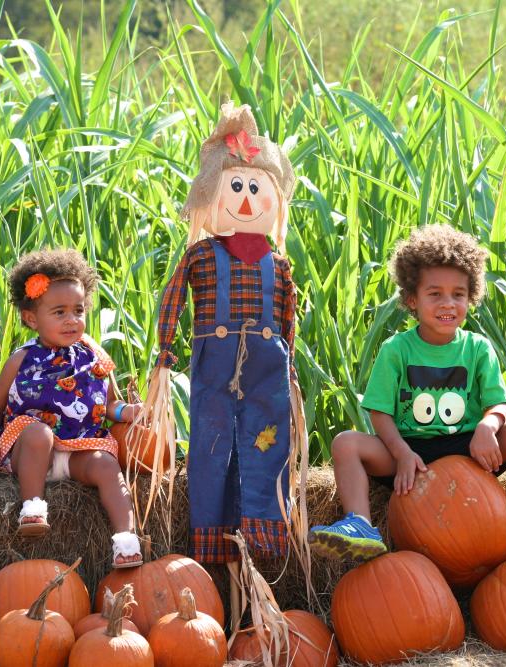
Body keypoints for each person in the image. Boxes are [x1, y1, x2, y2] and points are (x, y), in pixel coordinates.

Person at [308, 224, 506, 560]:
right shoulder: (396, 350)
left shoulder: (478, 349)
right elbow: (380, 413)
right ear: (411, 299)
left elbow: (498, 404)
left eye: (458, 294)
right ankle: (360, 524)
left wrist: (487, 427)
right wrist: (401, 452)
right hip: (410, 455)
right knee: (345, 443)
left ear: (470, 297)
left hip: (468, 450)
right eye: (435, 294)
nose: (448, 303)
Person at [149, 102, 299, 564]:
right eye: (236, 187)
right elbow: (172, 299)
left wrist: (289, 366)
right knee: (211, 445)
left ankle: (264, 542)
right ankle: (213, 546)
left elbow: (289, 320)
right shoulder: (200, 256)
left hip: (268, 366)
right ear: (213, 194)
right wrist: (164, 353)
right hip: (214, 362)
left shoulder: (280, 265)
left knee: (267, 441)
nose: (248, 198)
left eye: (257, 188)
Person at [0, 249, 144, 569]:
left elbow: (104, 403)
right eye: (59, 312)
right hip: (34, 453)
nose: (72, 320)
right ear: (31, 318)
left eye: (78, 310)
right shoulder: (22, 360)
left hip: (78, 449)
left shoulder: (92, 355)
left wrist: (126, 412)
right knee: (39, 433)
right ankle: (33, 505)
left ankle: (126, 540)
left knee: (108, 466)